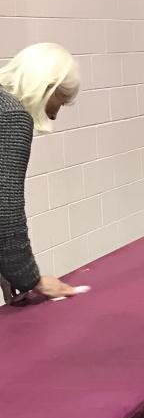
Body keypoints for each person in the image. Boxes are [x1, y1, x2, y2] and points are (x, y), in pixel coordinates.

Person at [0, 43, 81, 304]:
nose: (54, 115)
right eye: (60, 100)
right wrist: (29, 278)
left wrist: (7, 268)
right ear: (47, 87)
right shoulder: (11, 115)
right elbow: (6, 207)